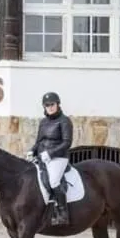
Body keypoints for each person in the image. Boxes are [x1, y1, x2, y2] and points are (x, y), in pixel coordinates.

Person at [30, 91, 74, 225]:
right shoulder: (43, 122)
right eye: (47, 105)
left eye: (52, 104)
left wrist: (50, 153)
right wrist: (32, 151)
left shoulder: (65, 121)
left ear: (58, 104)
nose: (50, 107)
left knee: (54, 181)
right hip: (42, 156)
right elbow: (39, 141)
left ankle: (62, 213)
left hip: (58, 157)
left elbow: (67, 142)